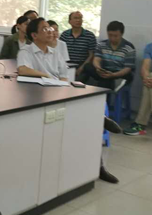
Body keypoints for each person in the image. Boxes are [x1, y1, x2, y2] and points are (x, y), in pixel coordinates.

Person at [18, 18, 119, 183]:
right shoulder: (26, 51)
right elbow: (22, 69)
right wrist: (46, 75)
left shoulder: (55, 53)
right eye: (45, 29)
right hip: (39, 98)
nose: (50, 31)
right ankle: (99, 117)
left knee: (88, 119)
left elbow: (64, 77)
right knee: (85, 118)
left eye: (50, 28)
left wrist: (60, 84)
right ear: (34, 35)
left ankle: (100, 167)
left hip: (58, 92)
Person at [79, 21, 135, 91]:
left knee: (126, 75)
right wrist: (98, 68)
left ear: (121, 34)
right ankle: (78, 87)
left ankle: (112, 82)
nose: (112, 38)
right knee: (87, 67)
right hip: (105, 70)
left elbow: (127, 68)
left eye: (115, 36)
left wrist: (114, 75)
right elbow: (96, 60)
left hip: (119, 73)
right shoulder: (101, 44)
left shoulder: (129, 47)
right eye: (110, 35)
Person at [59, 11, 97, 77]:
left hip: (83, 65)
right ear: (70, 21)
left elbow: (91, 55)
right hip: (67, 64)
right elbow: (60, 52)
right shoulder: (65, 35)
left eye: (80, 18)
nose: (78, 20)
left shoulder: (90, 36)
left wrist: (81, 68)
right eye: (75, 18)